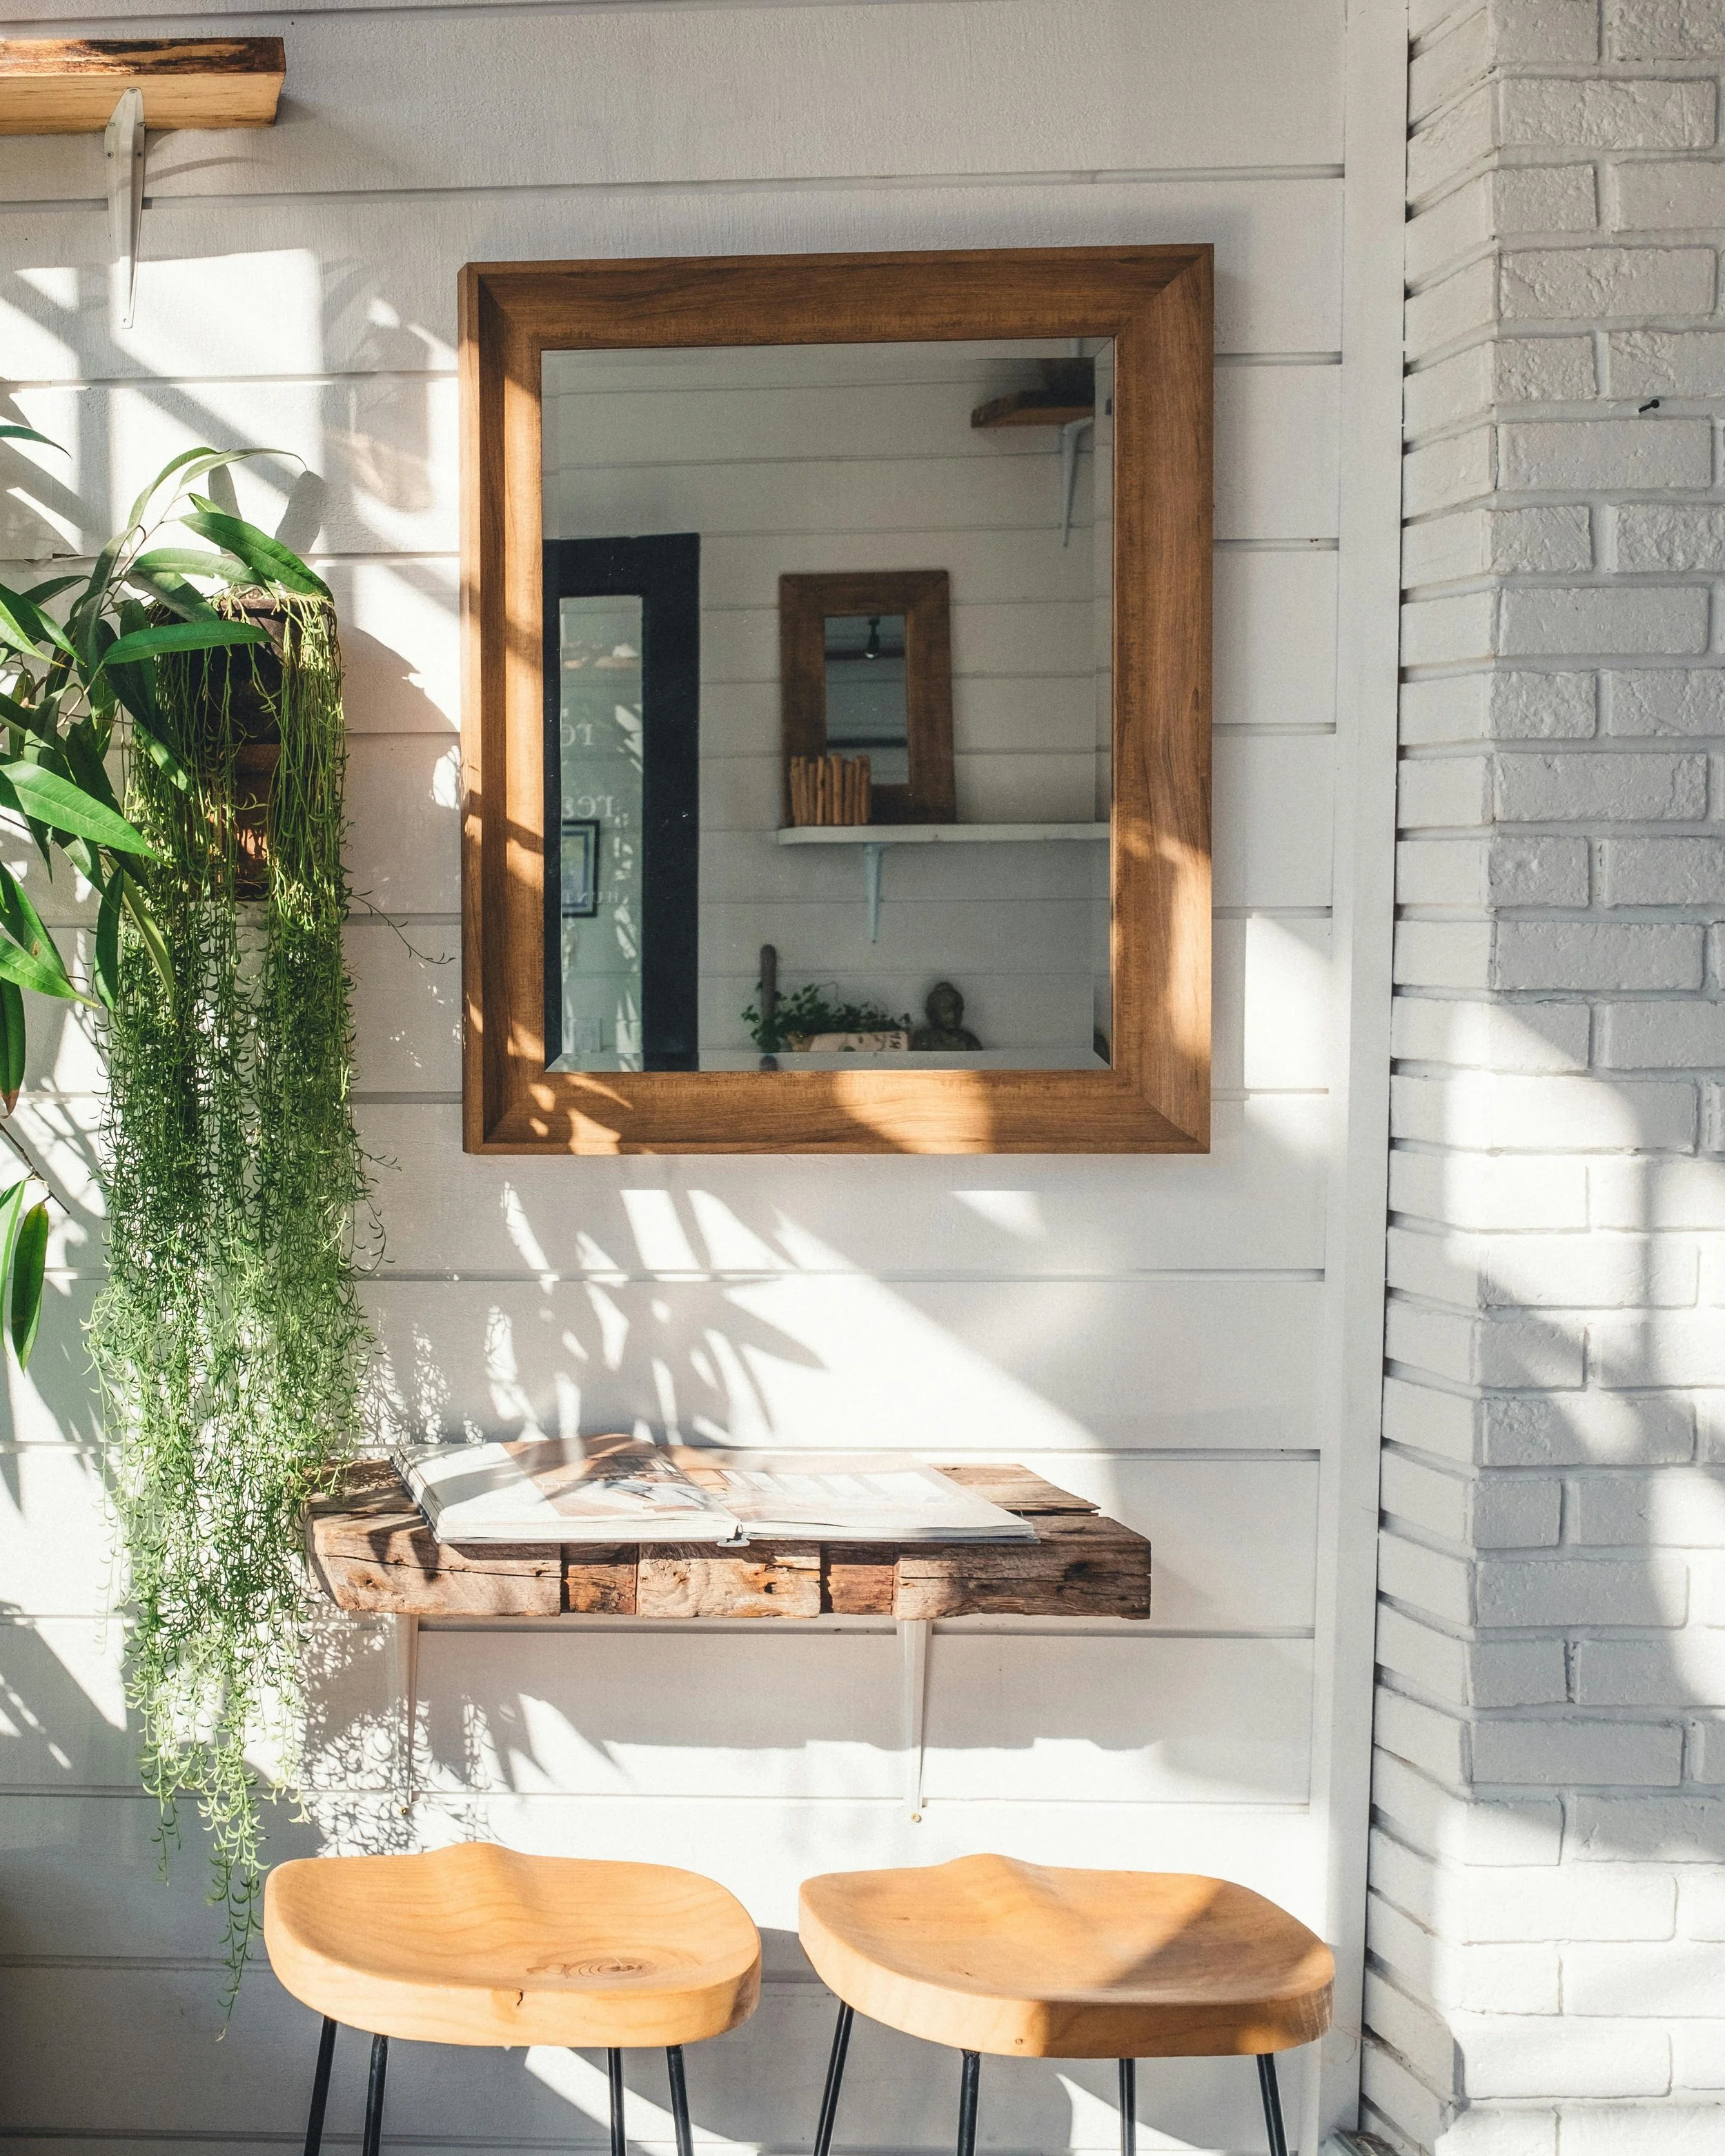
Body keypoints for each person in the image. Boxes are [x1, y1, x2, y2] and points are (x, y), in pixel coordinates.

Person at [911, 980, 982, 1051]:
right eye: (946, 1011)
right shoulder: (922, 1040)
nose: (953, 1016)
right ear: (932, 1014)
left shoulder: (970, 1041)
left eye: (957, 1010)